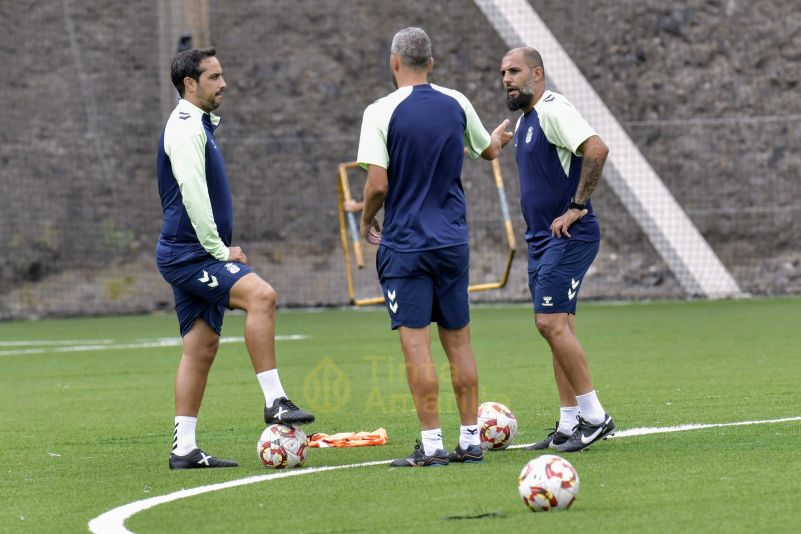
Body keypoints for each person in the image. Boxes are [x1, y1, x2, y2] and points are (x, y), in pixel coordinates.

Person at [356, 27, 512, 467]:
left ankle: (431, 447)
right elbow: (488, 151)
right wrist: (497, 139)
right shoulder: (456, 102)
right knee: (460, 344)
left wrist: (366, 221)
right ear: (431, 62)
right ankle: (471, 441)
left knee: (417, 348)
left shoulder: (380, 111)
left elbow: (377, 184)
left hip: (406, 244)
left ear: (394, 62)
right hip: (452, 242)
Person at [156, 47, 314, 470]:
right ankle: (275, 400)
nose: (223, 83)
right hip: (190, 255)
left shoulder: (198, 124)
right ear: (190, 84)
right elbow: (192, 192)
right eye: (214, 77)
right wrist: (218, 249)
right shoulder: (185, 127)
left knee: (201, 347)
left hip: (189, 252)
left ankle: (184, 450)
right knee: (262, 295)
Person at [500, 47, 615, 453]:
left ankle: (595, 418)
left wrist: (577, 206)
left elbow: (597, 149)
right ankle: (568, 424)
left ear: (537, 73)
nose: (507, 79)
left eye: (514, 71)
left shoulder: (552, 109)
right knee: (558, 328)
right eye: (503, 73)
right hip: (541, 241)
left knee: (549, 323)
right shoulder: (525, 121)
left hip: (568, 237)